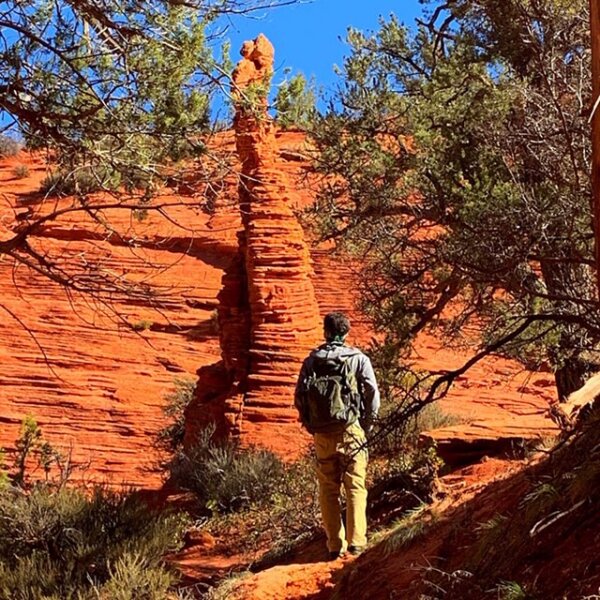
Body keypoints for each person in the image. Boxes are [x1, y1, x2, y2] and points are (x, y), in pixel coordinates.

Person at [295, 311, 380, 559]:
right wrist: (367, 425)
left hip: (322, 434)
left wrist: (310, 424)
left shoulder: (311, 361)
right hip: (350, 429)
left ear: (326, 332)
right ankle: (356, 543)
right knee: (355, 485)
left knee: (328, 489)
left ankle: (334, 545)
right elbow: (372, 393)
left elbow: (299, 396)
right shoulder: (358, 358)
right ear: (347, 332)